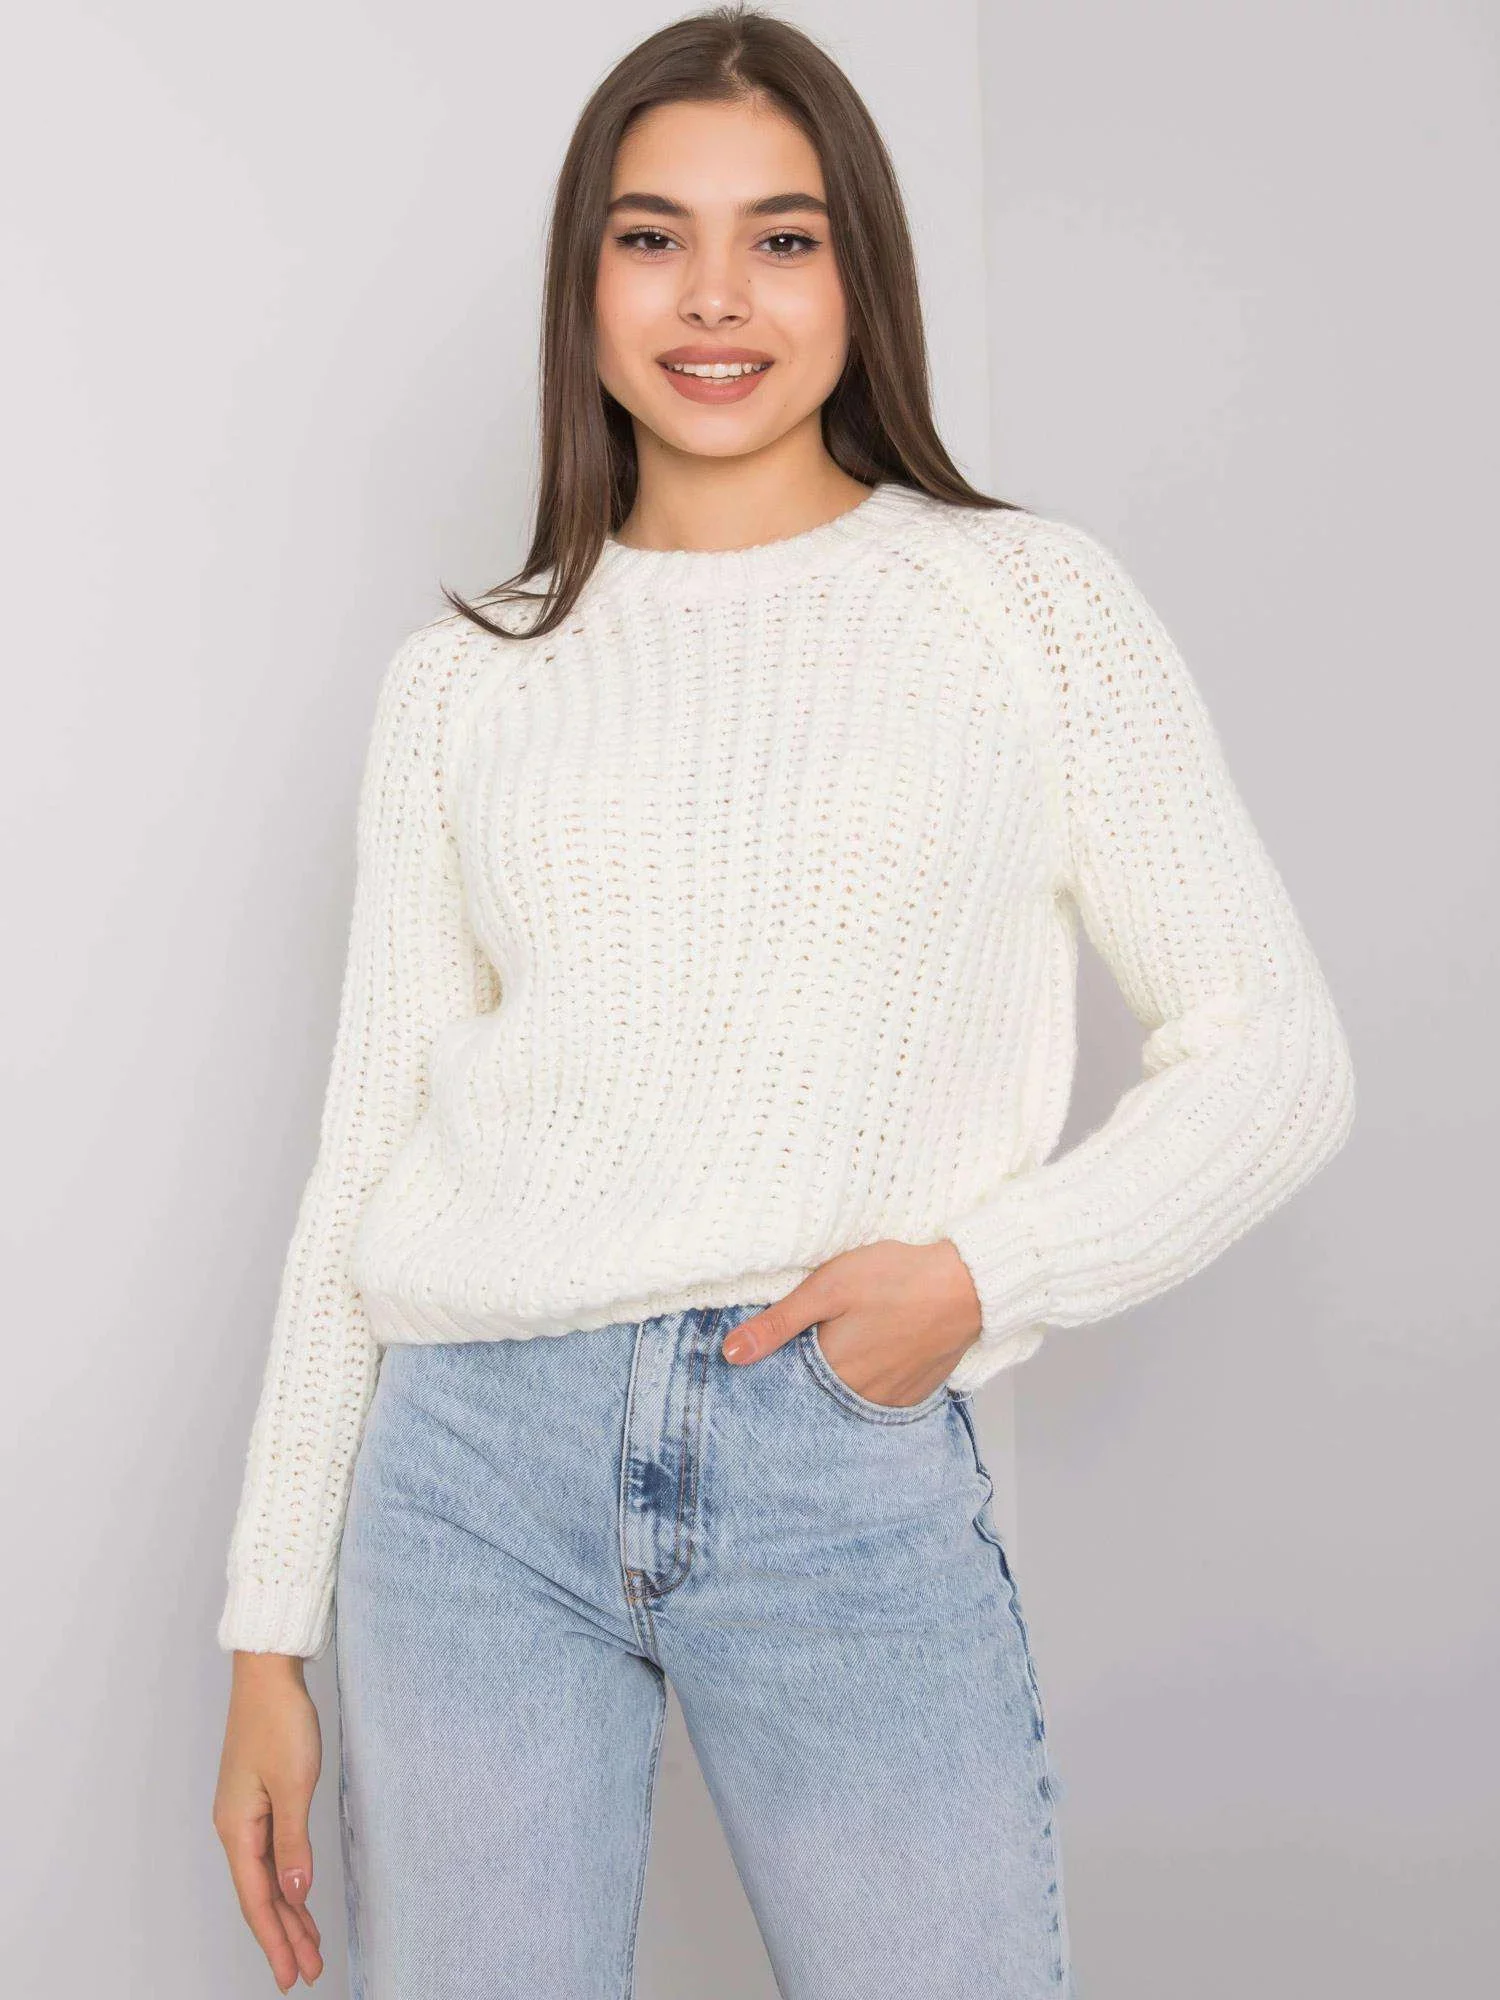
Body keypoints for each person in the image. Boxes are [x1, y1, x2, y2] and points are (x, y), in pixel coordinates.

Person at [211, 8, 1356, 1995]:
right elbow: (364, 1167)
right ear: (585, 282)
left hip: (831, 1442)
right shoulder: (468, 677)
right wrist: (264, 1637)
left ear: (860, 273)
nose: (716, 297)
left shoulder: (1024, 604)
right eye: (653, 237)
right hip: (465, 1475)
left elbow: (1277, 1055)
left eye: (784, 237)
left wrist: (980, 1279)